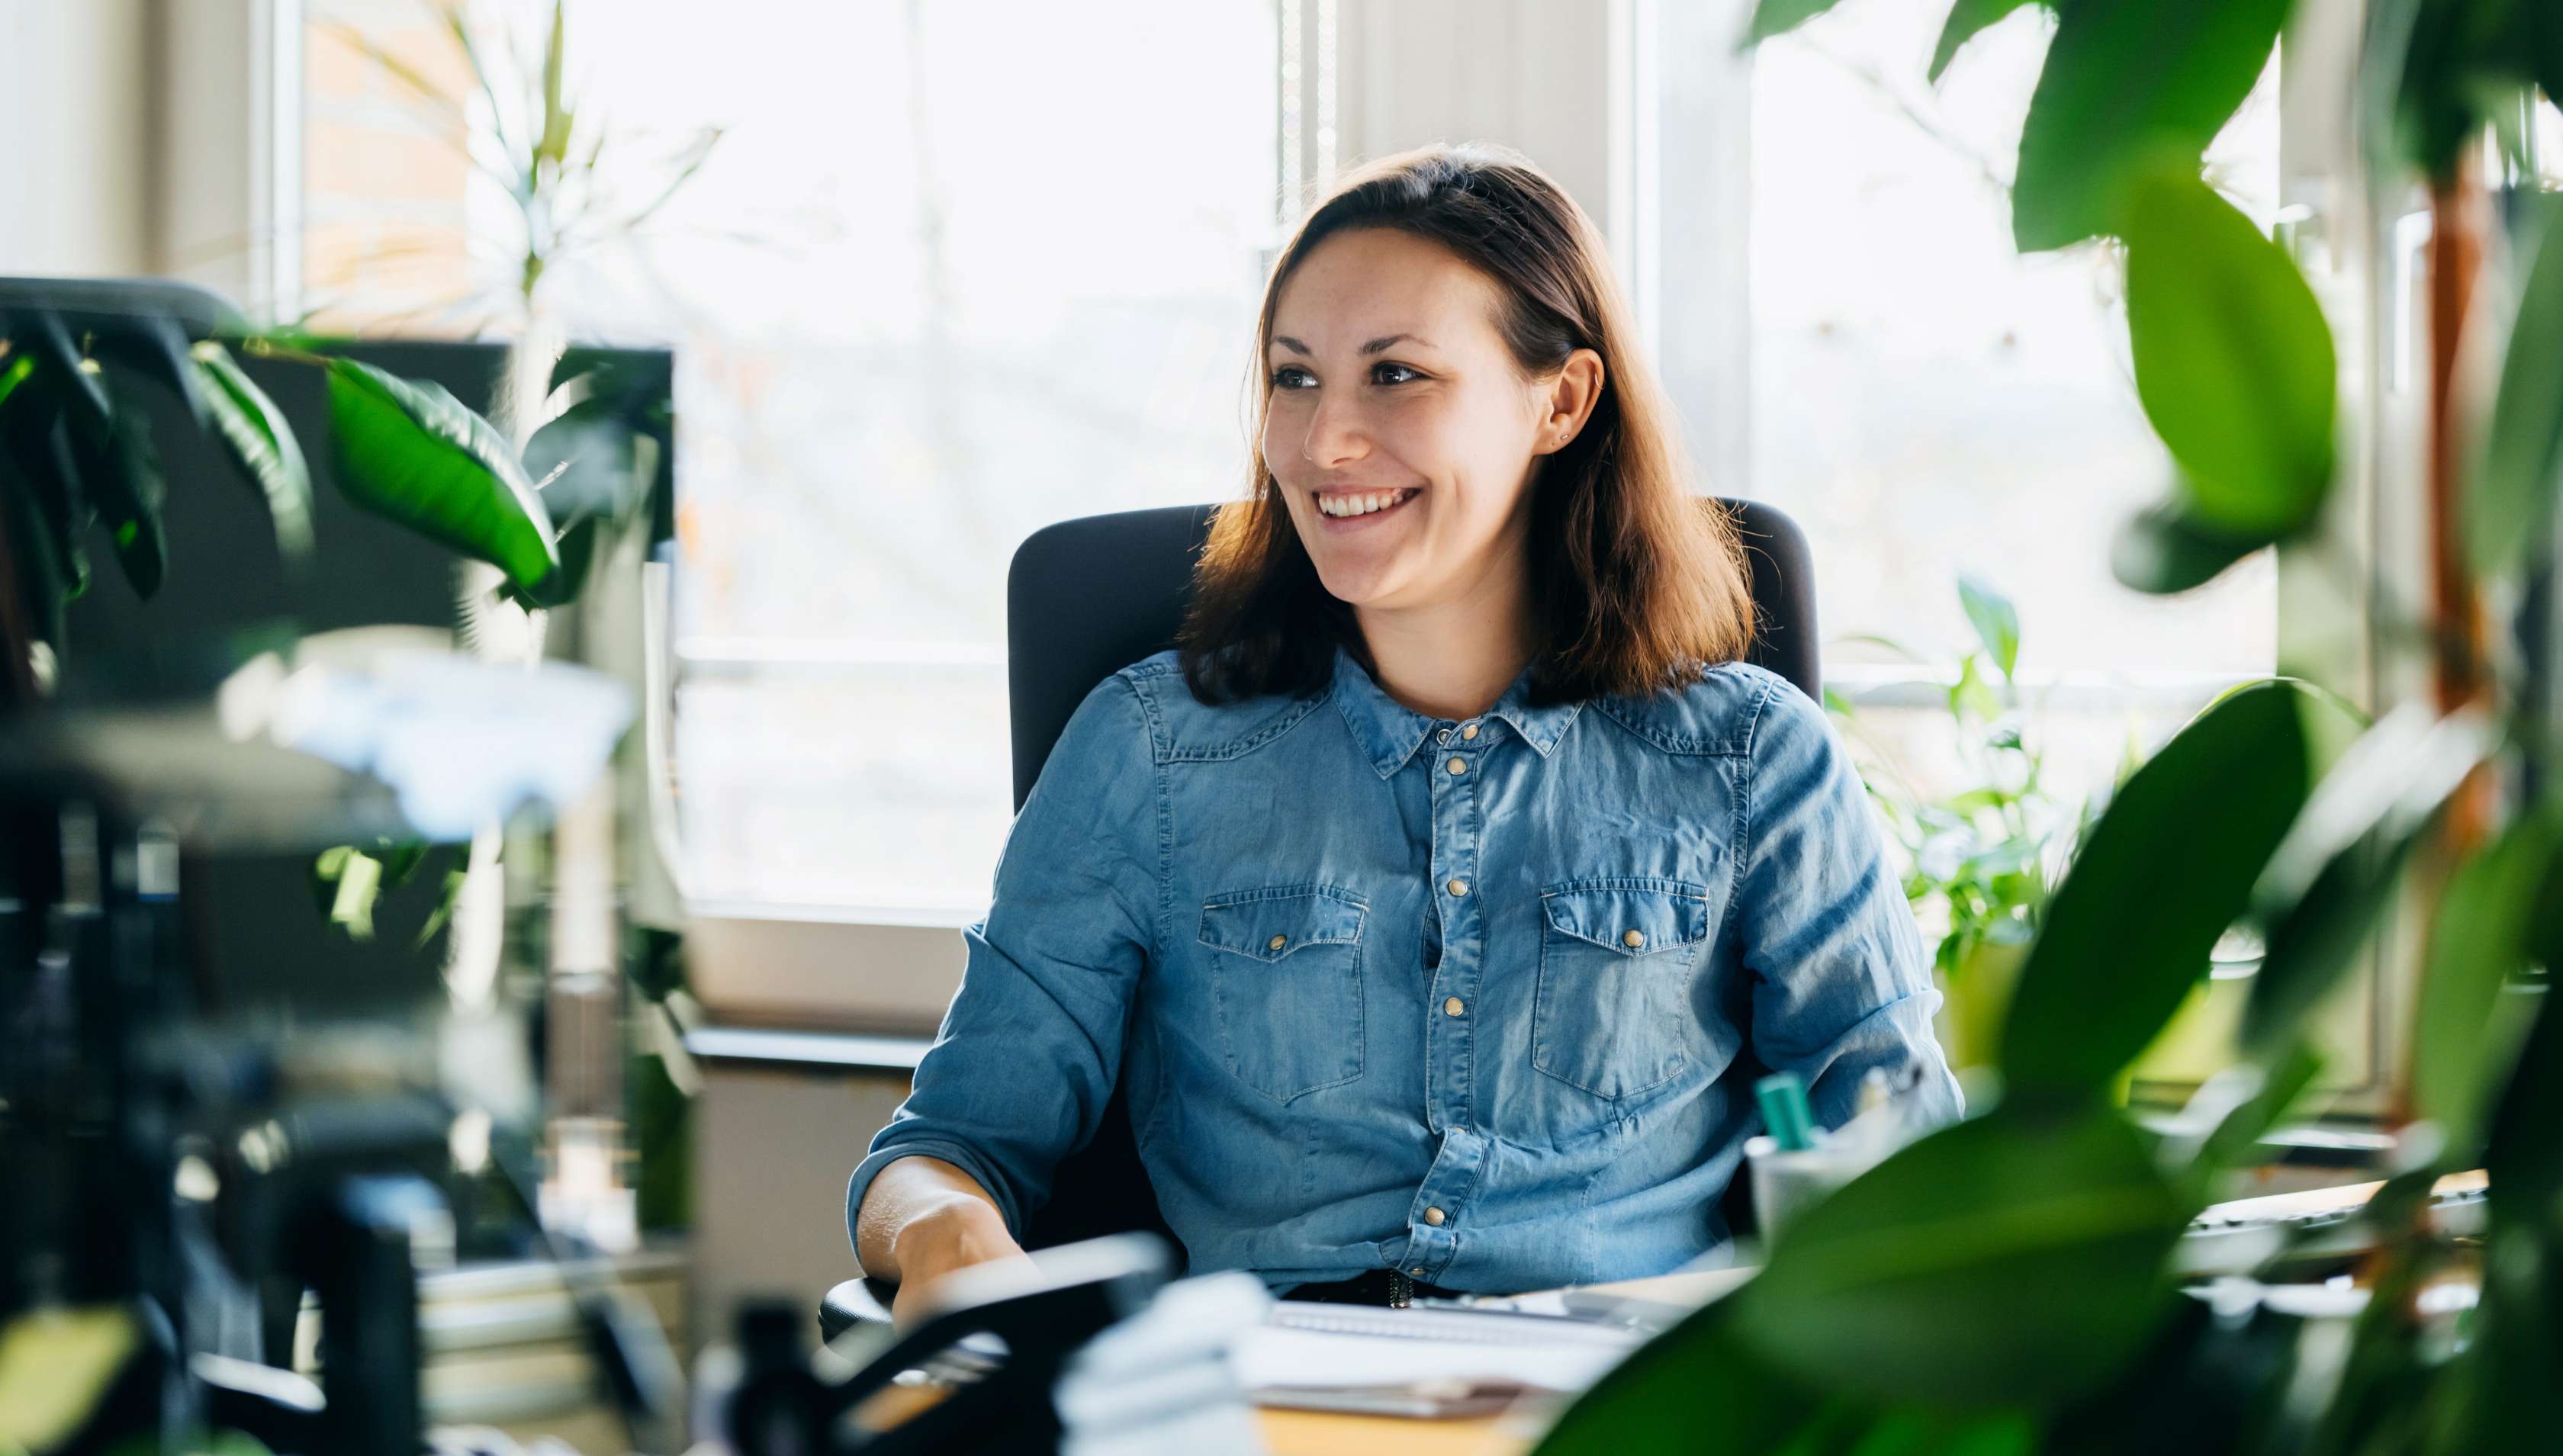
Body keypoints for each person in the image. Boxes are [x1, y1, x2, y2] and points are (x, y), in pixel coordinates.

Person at [849, 143, 1960, 1323]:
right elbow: (946, 1144)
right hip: (1274, 1400)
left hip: (1619, 1399)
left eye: (1396, 375)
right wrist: (941, 1219)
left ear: (1563, 400)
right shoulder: (1149, 751)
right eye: (1293, 378)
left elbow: (1907, 1169)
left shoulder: (1753, 762)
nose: (1323, 443)